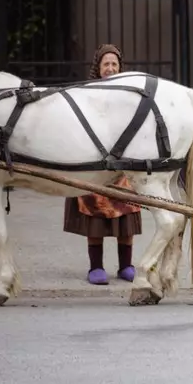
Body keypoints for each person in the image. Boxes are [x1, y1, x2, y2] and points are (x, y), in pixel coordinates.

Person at [63, 44, 142, 285]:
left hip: (122, 163)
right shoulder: (87, 93)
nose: (110, 68)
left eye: (114, 64)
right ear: (98, 68)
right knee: (95, 212)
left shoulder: (129, 94)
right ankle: (95, 267)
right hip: (95, 163)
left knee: (125, 212)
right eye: (105, 64)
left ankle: (126, 266)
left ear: (120, 67)